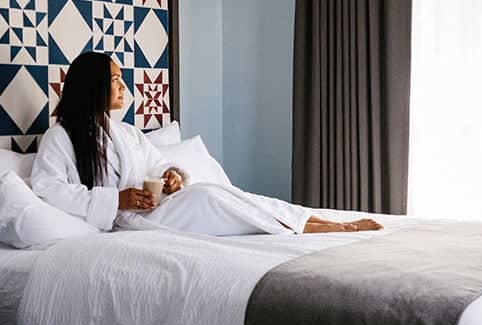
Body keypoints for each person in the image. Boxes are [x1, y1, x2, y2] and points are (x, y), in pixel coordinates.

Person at [31, 52, 383, 236]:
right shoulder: (60, 137)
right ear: (93, 87)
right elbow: (47, 189)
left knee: (221, 194)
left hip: (159, 207)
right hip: (130, 221)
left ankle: (313, 223)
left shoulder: (125, 133)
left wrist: (171, 174)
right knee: (210, 196)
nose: (123, 86)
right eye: (115, 79)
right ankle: (312, 227)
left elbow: (154, 164)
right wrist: (114, 200)